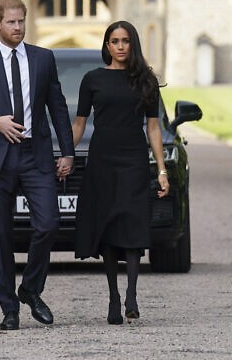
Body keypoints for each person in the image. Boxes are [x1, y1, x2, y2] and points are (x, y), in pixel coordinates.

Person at [0, 0, 74, 330]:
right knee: (1, 238)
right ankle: (10, 309)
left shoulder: (43, 58)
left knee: (49, 223)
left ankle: (30, 290)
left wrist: (66, 151)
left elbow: (58, 106)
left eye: (22, 21)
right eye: (11, 22)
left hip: (35, 157)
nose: (18, 27)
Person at [72, 20, 169, 325]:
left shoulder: (146, 81)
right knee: (109, 227)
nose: (120, 46)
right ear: (107, 46)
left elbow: (153, 128)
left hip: (134, 159)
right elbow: (79, 124)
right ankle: (113, 297)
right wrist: (65, 154)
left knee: (132, 223)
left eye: (125, 40)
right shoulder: (92, 79)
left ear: (133, 44)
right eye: (114, 41)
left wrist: (162, 169)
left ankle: (131, 295)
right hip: (102, 159)